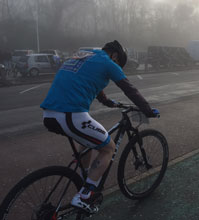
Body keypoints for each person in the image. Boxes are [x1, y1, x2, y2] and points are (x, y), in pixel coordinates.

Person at [40, 40, 158, 213]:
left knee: (87, 142)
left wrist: (106, 101)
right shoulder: (109, 62)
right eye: (118, 63)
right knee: (108, 148)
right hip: (71, 114)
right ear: (115, 56)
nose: (116, 66)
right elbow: (130, 90)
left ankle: (85, 177)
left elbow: (89, 79)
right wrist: (147, 110)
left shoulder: (84, 55)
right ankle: (85, 195)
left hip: (49, 113)